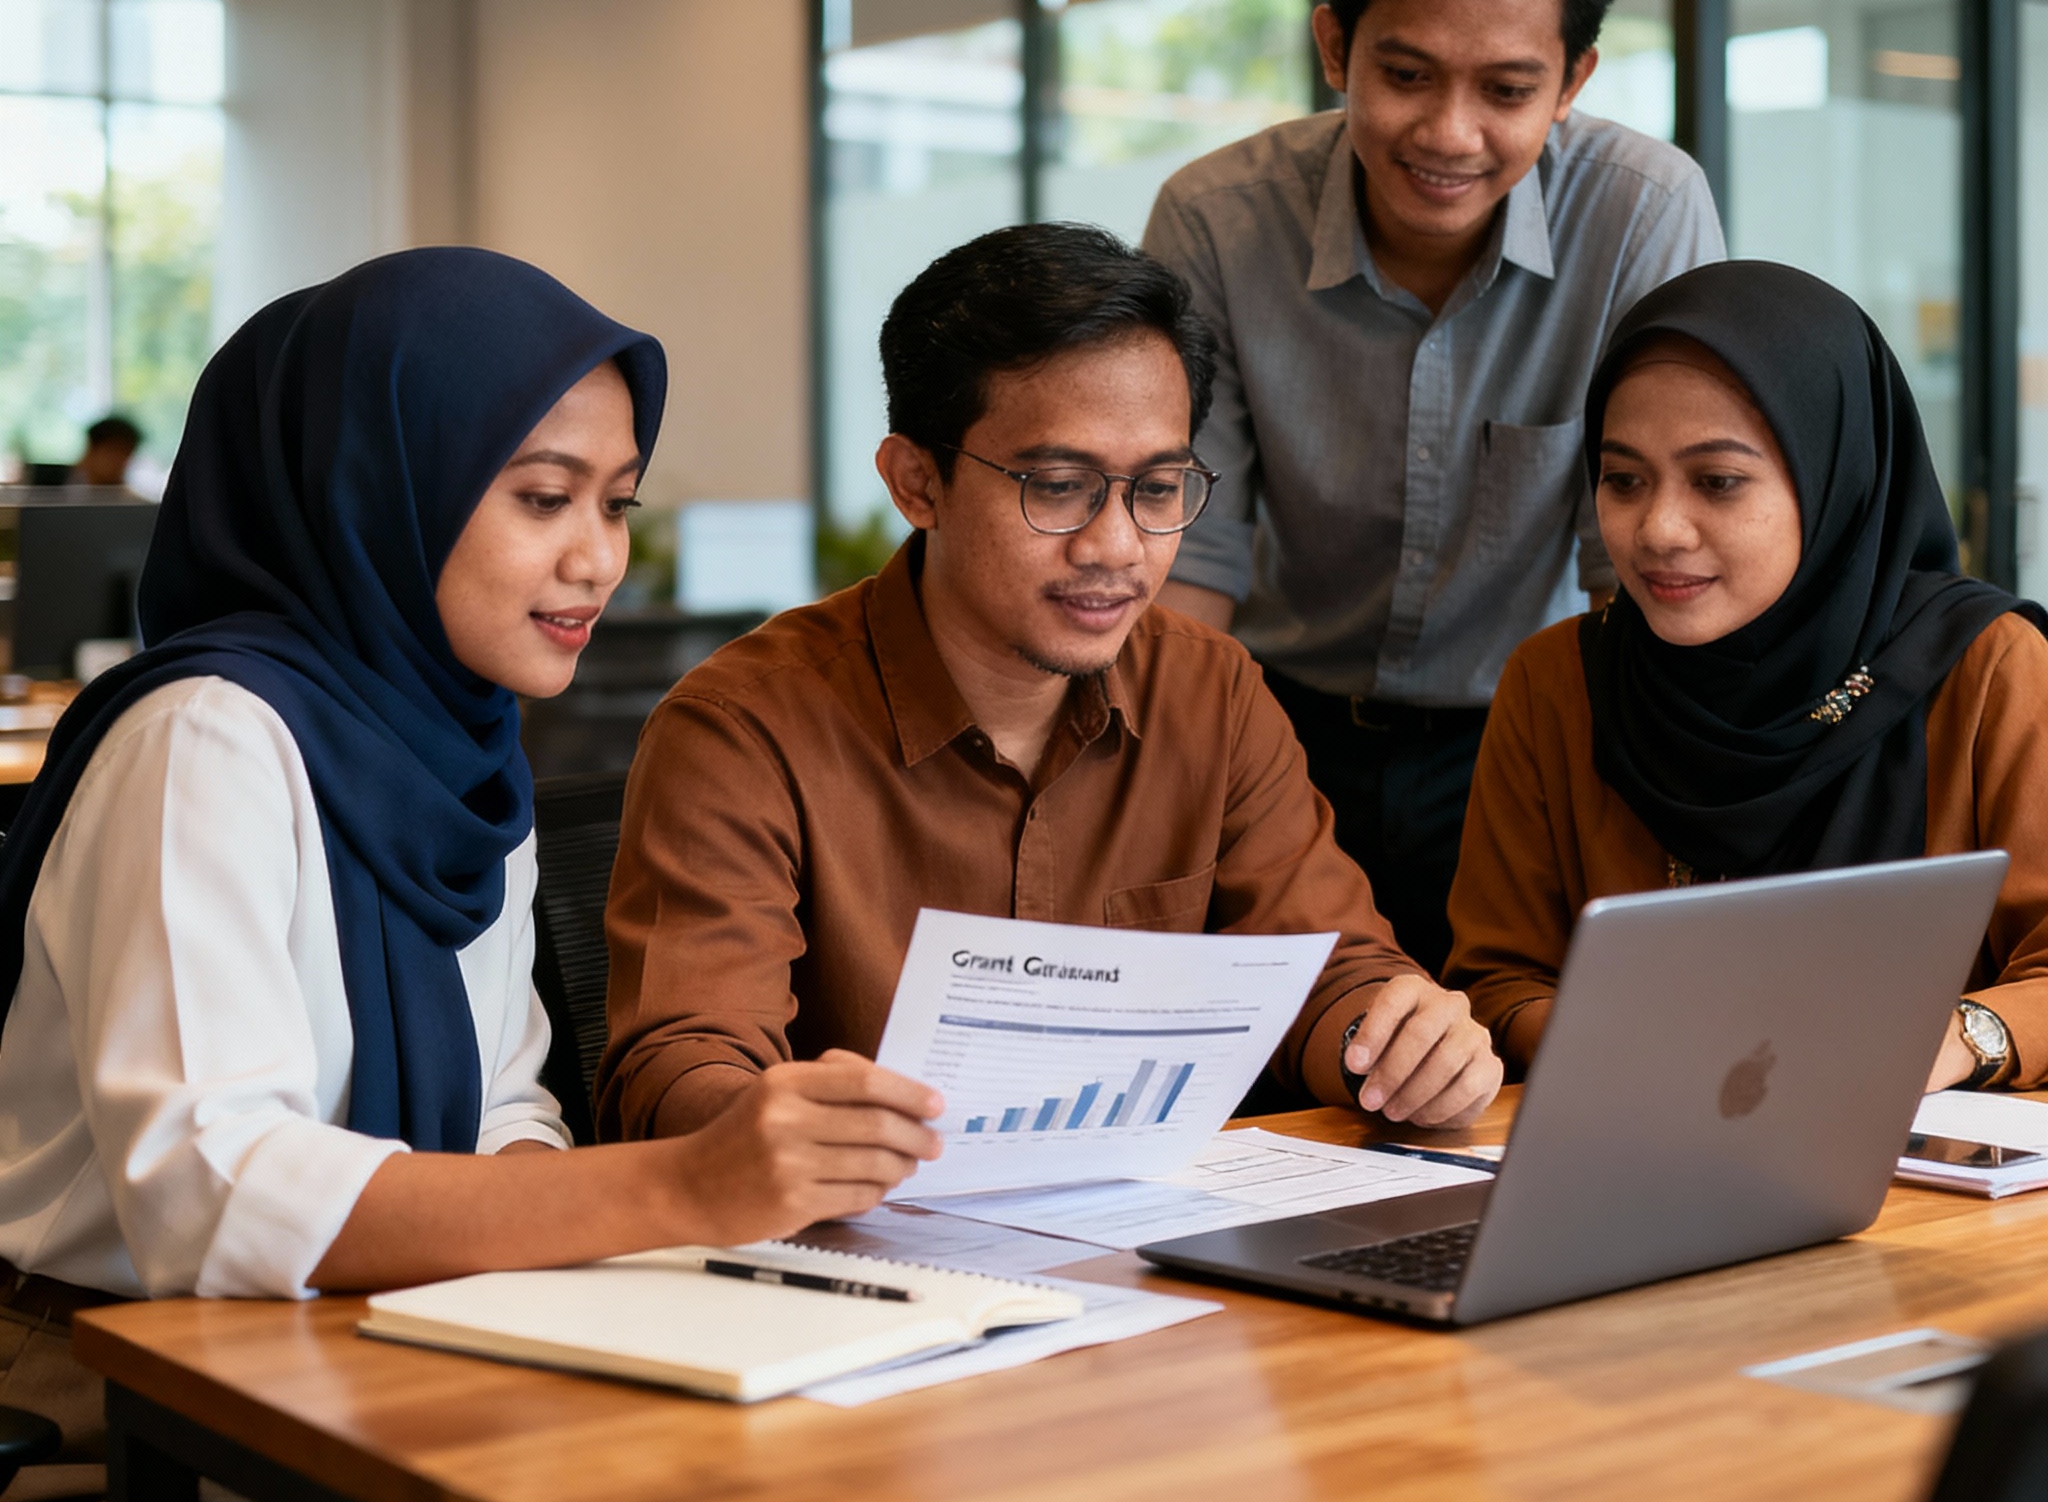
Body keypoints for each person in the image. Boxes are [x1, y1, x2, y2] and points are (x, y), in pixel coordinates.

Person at [0, 248, 940, 1502]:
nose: (596, 558)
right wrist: (684, 1188)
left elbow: (511, 1108)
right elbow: (209, 1188)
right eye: (541, 498)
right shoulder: (206, 738)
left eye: (615, 504)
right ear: (377, 484)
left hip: (379, 1379)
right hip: (118, 1443)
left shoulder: (459, 755)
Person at [601, 225, 1502, 1148]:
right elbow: (682, 1061)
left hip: (1157, 1246)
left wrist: (1392, 1042)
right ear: (918, 483)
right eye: (1061, 485)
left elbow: (1326, 972)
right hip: (867, 1254)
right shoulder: (743, 730)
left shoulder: (1211, 691)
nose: (1116, 547)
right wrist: (780, 1132)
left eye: (1157, 489)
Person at [1144, 0, 1725, 978]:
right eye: (1405, 74)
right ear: (1332, 46)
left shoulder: (1643, 214)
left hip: (1531, 737)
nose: (1449, 134)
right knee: (1281, 1074)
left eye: (1506, 90)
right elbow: (1186, 550)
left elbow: (1643, 559)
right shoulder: (1215, 219)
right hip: (1277, 729)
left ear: (1571, 82)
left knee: (1514, 1071)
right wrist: (1161, 805)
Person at [1444, 263, 2048, 1093]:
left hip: (1934, 1177)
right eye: (1623, 480)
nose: (1658, 529)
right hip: (1643, 1159)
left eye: (1718, 482)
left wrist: (1951, 1041)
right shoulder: (1559, 683)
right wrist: (1664, 1062)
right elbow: (1501, 980)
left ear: (1836, 479)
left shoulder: (1988, 668)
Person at [71, 416, 140, 490]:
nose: (121, 462)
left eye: (127, 455)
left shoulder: (125, 497)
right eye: (115, 453)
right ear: (92, 449)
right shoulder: (60, 479)